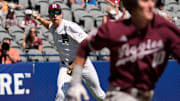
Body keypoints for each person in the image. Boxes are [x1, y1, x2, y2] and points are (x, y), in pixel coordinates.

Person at [65, 0, 180, 101]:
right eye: (145, 0)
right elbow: (85, 46)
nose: (150, 5)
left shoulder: (165, 29)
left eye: (153, 1)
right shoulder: (115, 29)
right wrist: (75, 81)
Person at [33, 3, 105, 101]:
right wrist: (39, 19)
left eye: (57, 12)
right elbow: (48, 25)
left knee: (99, 95)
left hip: (83, 64)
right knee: (61, 94)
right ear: (49, 16)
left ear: (61, 14)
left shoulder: (70, 26)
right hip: (66, 66)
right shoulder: (53, 27)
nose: (55, 15)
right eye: (52, 13)